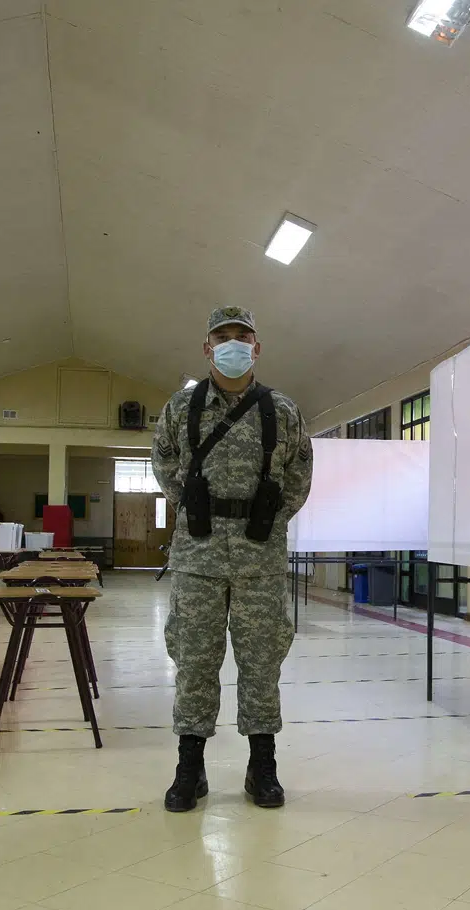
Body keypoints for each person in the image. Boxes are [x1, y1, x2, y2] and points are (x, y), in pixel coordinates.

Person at [152, 306, 313, 811]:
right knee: (195, 660)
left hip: (259, 556)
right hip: (197, 554)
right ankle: (190, 769)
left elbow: (298, 476)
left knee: (262, 663)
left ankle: (261, 768)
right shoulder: (182, 407)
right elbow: (163, 460)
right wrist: (191, 501)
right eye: (222, 337)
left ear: (256, 346)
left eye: (242, 336)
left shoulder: (281, 410)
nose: (232, 344)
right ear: (206, 347)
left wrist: (269, 519)